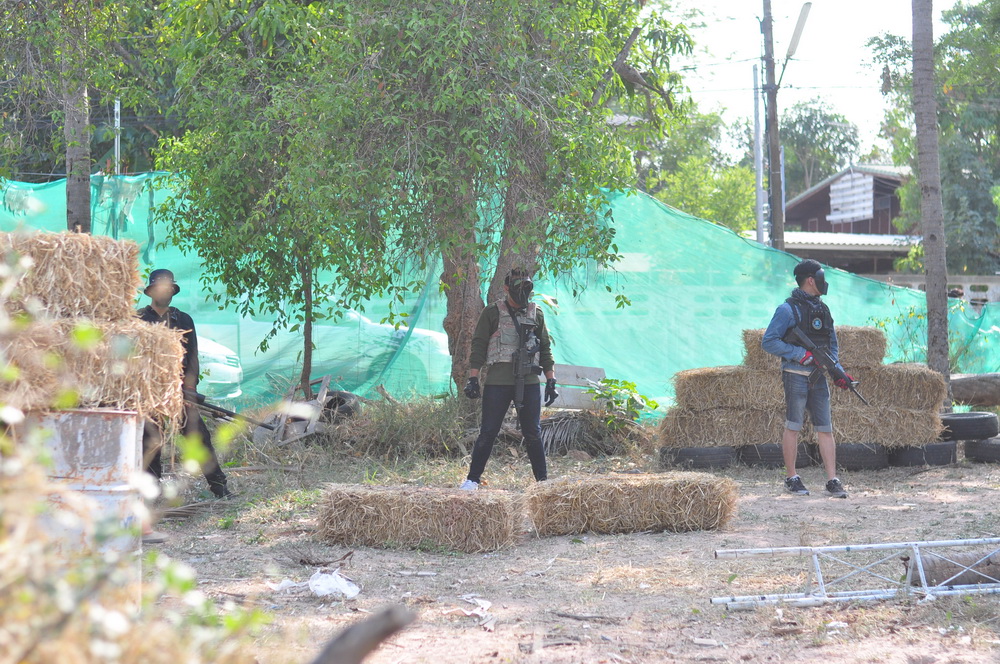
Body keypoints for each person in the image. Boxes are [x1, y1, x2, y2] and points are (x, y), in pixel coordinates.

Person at [460, 268, 559, 490]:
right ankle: (472, 480)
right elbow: (479, 345)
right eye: (517, 287)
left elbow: (545, 348)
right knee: (488, 431)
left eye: (527, 287)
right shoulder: (492, 312)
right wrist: (473, 378)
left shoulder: (536, 313)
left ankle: (542, 483)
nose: (522, 291)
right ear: (506, 288)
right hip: (498, 382)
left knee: (533, 432)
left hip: (529, 381)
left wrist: (551, 380)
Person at [138, 269, 232, 502]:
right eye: (160, 288)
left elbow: (192, 358)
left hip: (179, 392)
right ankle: (151, 494)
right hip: (149, 393)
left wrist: (190, 390)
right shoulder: (138, 320)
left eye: (169, 288)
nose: (165, 292)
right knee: (150, 442)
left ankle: (219, 487)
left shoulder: (183, 320)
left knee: (199, 437)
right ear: (151, 291)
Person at [761, 259, 850, 499]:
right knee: (793, 425)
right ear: (811, 280)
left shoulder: (824, 309)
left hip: (819, 377)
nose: (824, 281)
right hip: (795, 375)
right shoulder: (787, 309)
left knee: (825, 428)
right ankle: (792, 478)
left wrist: (838, 372)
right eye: (821, 276)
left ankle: (832, 480)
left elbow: (831, 345)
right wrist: (800, 354)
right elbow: (769, 341)